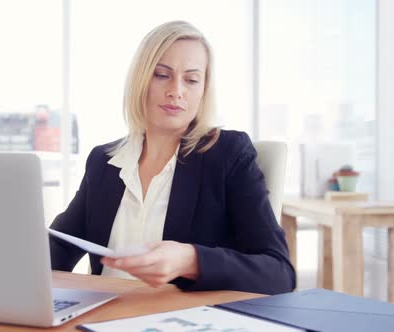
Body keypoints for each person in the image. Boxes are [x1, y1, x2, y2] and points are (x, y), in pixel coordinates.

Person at [49, 20, 295, 294]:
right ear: (141, 79)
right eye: (162, 75)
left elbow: (279, 274)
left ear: (203, 90)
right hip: (99, 314)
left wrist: (191, 260)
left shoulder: (227, 154)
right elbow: (58, 245)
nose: (176, 91)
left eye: (191, 79)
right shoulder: (104, 161)